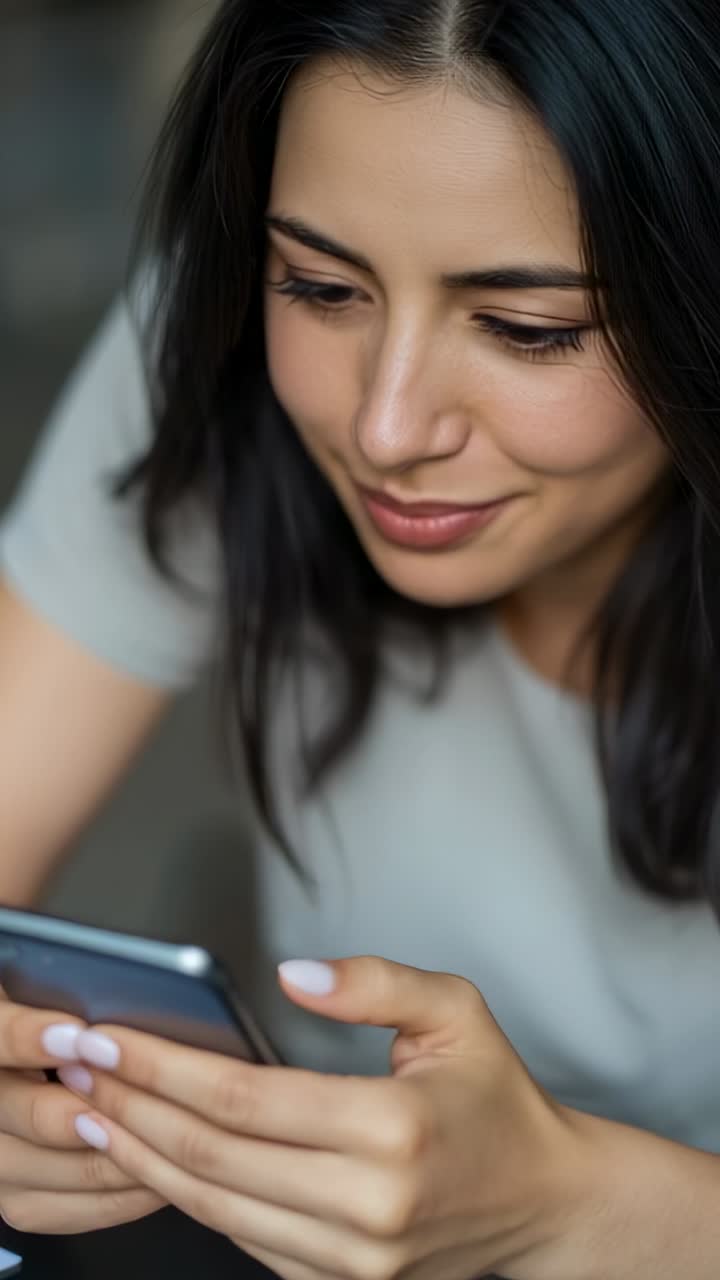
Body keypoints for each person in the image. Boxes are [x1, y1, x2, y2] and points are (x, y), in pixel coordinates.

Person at [1, 0, 720, 1275]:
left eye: (529, 327)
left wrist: (570, 1204)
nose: (387, 426)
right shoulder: (218, 344)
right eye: (322, 287)